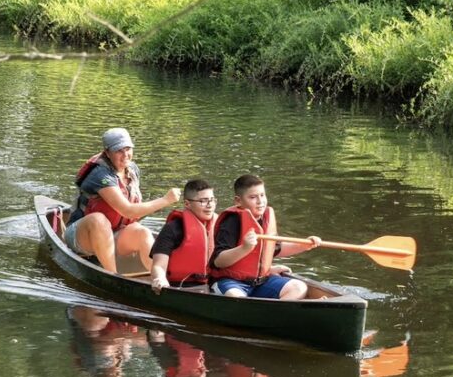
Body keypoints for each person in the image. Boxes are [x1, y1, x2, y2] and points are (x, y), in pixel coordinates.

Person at [64, 127, 181, 273]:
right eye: (119, 150)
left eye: (128, 149)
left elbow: (136, 212)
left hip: (115, 234)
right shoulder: (100, 174)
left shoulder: (132, 170)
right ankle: (113, 277)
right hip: (82, 237)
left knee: (142, 232)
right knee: (98, 220)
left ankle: (160, 278)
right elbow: (128, 211)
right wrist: (166, 200)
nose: (125, 155)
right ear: (107, 152)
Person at [209, 174, 321, 299]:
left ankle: (272, 315)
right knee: (238, 299)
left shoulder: (265, 219)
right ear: (238, 201)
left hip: (260, 282)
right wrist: (245, 248)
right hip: (231, 282)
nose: (260, 201)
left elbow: (276, 249)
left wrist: (304, 245)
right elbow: (219, 262)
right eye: (253, 197)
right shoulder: (231, 221)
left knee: (299, 288)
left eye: (262, 195)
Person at [149, 178, 217, 293]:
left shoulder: (220, 225)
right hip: (181, 287)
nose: (209, 205)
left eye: (212, 200)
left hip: (213, 286)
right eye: (203, 201)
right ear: (187, 204)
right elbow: (158, 265)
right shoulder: (173, 228)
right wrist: (160, 278)